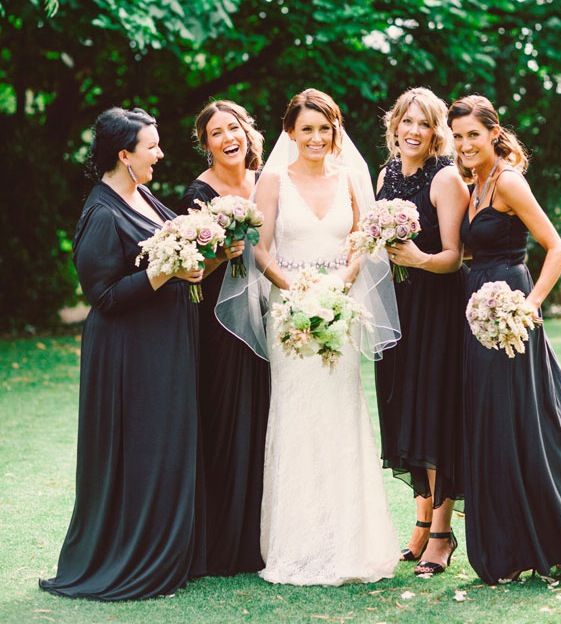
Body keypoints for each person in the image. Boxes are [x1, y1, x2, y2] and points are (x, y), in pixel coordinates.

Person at [39, 107, 206, 600]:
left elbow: (171, 248)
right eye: (151, 146)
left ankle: (168, 549)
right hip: (129, 353)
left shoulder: (144, 194)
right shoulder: (102, 211)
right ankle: (129, 556)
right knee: (140, 448)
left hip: (163, 343)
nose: (160, 153)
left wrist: (195, 262)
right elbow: (103, 296)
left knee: (164, 446)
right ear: (124, 154)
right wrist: (167, 273)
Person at [243, 88, 401, 586]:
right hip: (289, 315)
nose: (316, 137)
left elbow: (362, 244)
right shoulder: (272, 181)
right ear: (290, 133)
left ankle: (351, 544)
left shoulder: (353, 180)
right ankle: (297, 544)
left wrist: (337, 288)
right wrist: (298, 290)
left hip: (339, 310)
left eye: (324, 128)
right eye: (306, 128)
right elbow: (259, 251)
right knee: (295, 419)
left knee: (340, 417)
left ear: (336, 132)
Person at [448, 94, 561, 584]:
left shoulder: (508, 181)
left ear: (494, 132)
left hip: (509, 308)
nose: (466, 144)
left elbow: (555, 249)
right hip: (478, 310)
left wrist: (527, 305)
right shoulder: (473, 183)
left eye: (474, 134)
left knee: (524, 421)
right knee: (495, 423)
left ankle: (548, 537)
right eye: (458, 137)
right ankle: (509, 546)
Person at [374, 87, 469, 575]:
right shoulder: (386, 173)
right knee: (403, 409)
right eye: (406, 121)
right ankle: (418, 522)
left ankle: (442, 532)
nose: (413, 131)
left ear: (437, 132)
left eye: (424, 124)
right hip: (399, 308)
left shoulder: (446, 177)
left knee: (436, 415)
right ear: (395, 125)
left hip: (438, 308)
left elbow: (454, 256)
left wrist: (418, 259)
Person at [177, 100, 270, 576]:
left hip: (271, 317)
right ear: (206, 143)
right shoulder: (199, 192)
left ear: (246, 132)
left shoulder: (268, 180)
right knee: (226, 418)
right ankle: (222, 543)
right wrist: (224, 252)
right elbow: (189, 271)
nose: (227, 138)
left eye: (233, 127)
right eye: (216, 133)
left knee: (266, 419)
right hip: (220, 323)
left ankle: (263, 537)